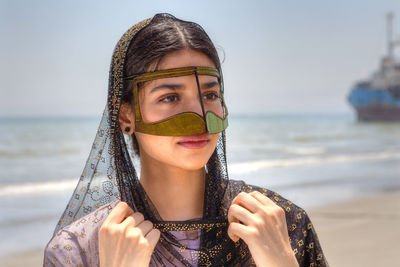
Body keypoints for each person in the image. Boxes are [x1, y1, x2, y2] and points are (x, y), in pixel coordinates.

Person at [43, 13, 328, 267]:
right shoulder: (77, 251)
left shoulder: (279, 224)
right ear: (126, 116)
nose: (200, 118)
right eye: (170, 97)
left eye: (209, 95)